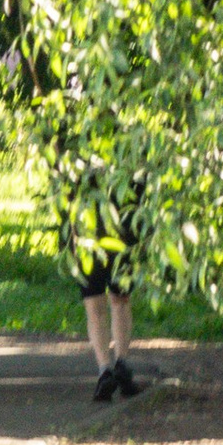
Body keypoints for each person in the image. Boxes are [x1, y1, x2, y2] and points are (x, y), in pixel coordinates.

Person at [57, 145, 143, 402]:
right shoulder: (128, 151)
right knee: (120, 300)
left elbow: (65, 195)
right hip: (121, 235)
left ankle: (105, 369)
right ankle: (121, 364)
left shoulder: (75, 151)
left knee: (95, 305)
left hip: (86, 236)